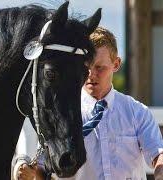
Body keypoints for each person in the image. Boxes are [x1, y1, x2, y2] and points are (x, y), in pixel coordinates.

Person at [12, 27, 163, 180]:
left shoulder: (136, 112)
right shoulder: (61, 115)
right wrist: (30, 173)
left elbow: (158, 155)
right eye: (86, 66)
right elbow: (43, 170)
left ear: (116, 64)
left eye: (99, 67)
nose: (91, 75)